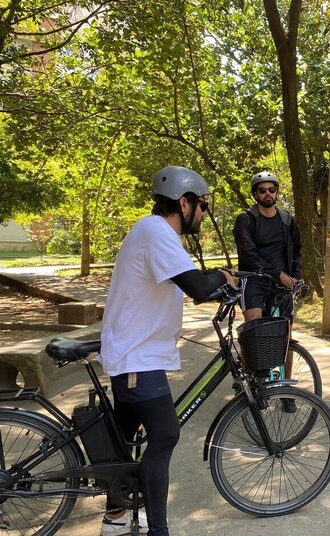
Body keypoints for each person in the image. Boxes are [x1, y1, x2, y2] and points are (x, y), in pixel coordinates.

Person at [98, 166, 237, 536]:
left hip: (136, 353)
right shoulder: (159, 233)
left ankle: (114, 518)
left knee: (126, 438)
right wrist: (224, 278)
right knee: (164, 435)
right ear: (184, 201)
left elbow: (184, 281)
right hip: (135, 356)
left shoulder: (153, 231)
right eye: (202, 206)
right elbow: (197, 286)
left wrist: (215, 281)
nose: (204, 215)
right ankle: (158, 531)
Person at [232, 171, 302, 411]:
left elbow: (297, 250)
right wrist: (276, 274)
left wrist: (295, 277)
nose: (267, 194)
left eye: (271, 190)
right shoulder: (245, 219)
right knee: (253, 326)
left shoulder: (287, 219)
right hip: (255, 279)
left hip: (282, 283)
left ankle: (286, 390)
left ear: (277, 192)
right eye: (262, 190)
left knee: (285, 336)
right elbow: (249, 256)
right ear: (255, 194)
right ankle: (252, 383)